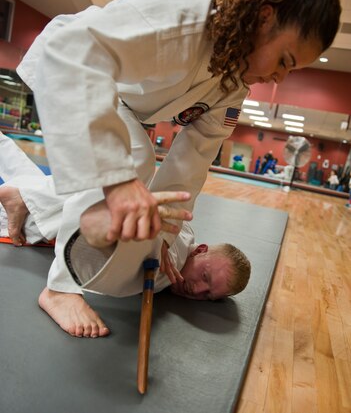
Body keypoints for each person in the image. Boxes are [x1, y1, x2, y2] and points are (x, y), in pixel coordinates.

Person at [16, 0, 341, 251]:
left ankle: (22, 200)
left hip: (119, 100)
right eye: (284, 60)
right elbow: (74, 49)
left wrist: (166, 242)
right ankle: (60, 288)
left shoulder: (233, 87)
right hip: (68, 66)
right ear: (264, 18)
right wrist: (117, 183)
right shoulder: (182, 19)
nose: (280, 79)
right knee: (132, 163)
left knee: (136, 167)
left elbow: (192, 161)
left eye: (291, 70)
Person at [0, 133, 251, 338]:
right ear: (200, 250)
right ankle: (24, 197)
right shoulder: (169, 264)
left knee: (21, 170)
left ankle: (24, 193)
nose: (196, 289)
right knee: (125, 178)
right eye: (204, 276)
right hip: (41, 224)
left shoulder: (182, 236)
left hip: (55, 203)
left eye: (208, 295)